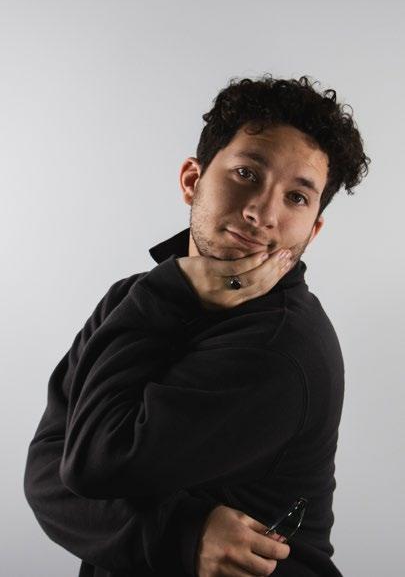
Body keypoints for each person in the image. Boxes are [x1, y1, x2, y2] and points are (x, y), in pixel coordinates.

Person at [23, 74, 370, 577]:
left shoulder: (280, 347)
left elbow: (92, 464)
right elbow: (45, 473)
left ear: (312, 230)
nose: (261, 213)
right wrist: (183, 535)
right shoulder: (138, 299)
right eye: (247, 173)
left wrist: (173, 536)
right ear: (192, 179)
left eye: (297, 197)